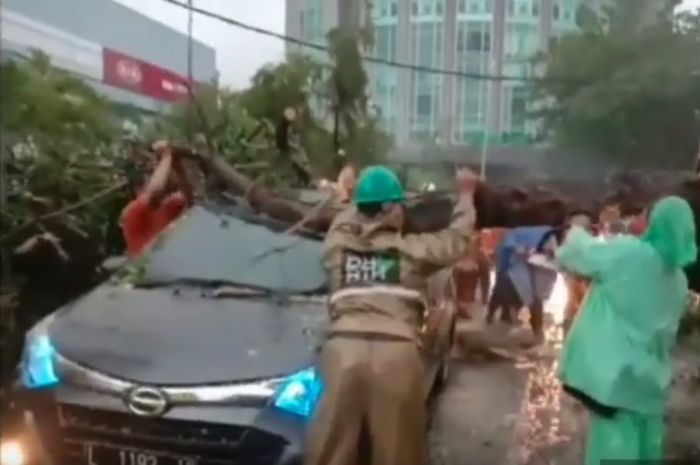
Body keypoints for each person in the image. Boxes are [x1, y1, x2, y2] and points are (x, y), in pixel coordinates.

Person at [306, 165, 478, 465]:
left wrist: (349, 191)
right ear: (391, 209)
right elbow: (457, 238)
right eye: (399, 205)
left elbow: (343, 219)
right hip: (396, 357)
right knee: (398, 453)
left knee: (331, 455)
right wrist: (466, 194)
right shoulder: (413, 252)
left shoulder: (336, 248)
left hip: (342, 354)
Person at [556, 196, 696, 465]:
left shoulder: (633, 254)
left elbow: (579, 255)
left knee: (613, 452)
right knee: (646, 451)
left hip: (616, 381)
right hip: (650, 384)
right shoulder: (679, 280)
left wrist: (576, 228)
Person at [121, 141, 193, 257]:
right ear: (137, 189)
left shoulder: (169, 206)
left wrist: (178, 167)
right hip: (147, 271)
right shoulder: (132, 213)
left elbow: (189, 197)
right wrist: (166, 156)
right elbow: (154, 191)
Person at [488, 226, 560, 340]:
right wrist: (521, 249)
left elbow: (553, 247)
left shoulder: (546, 229)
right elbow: (509, 243)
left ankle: (536, 331)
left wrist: (548, 252)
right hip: (515, 263)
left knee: (536, 297)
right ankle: (493, 319)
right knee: (508, 289)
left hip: (539, 262)